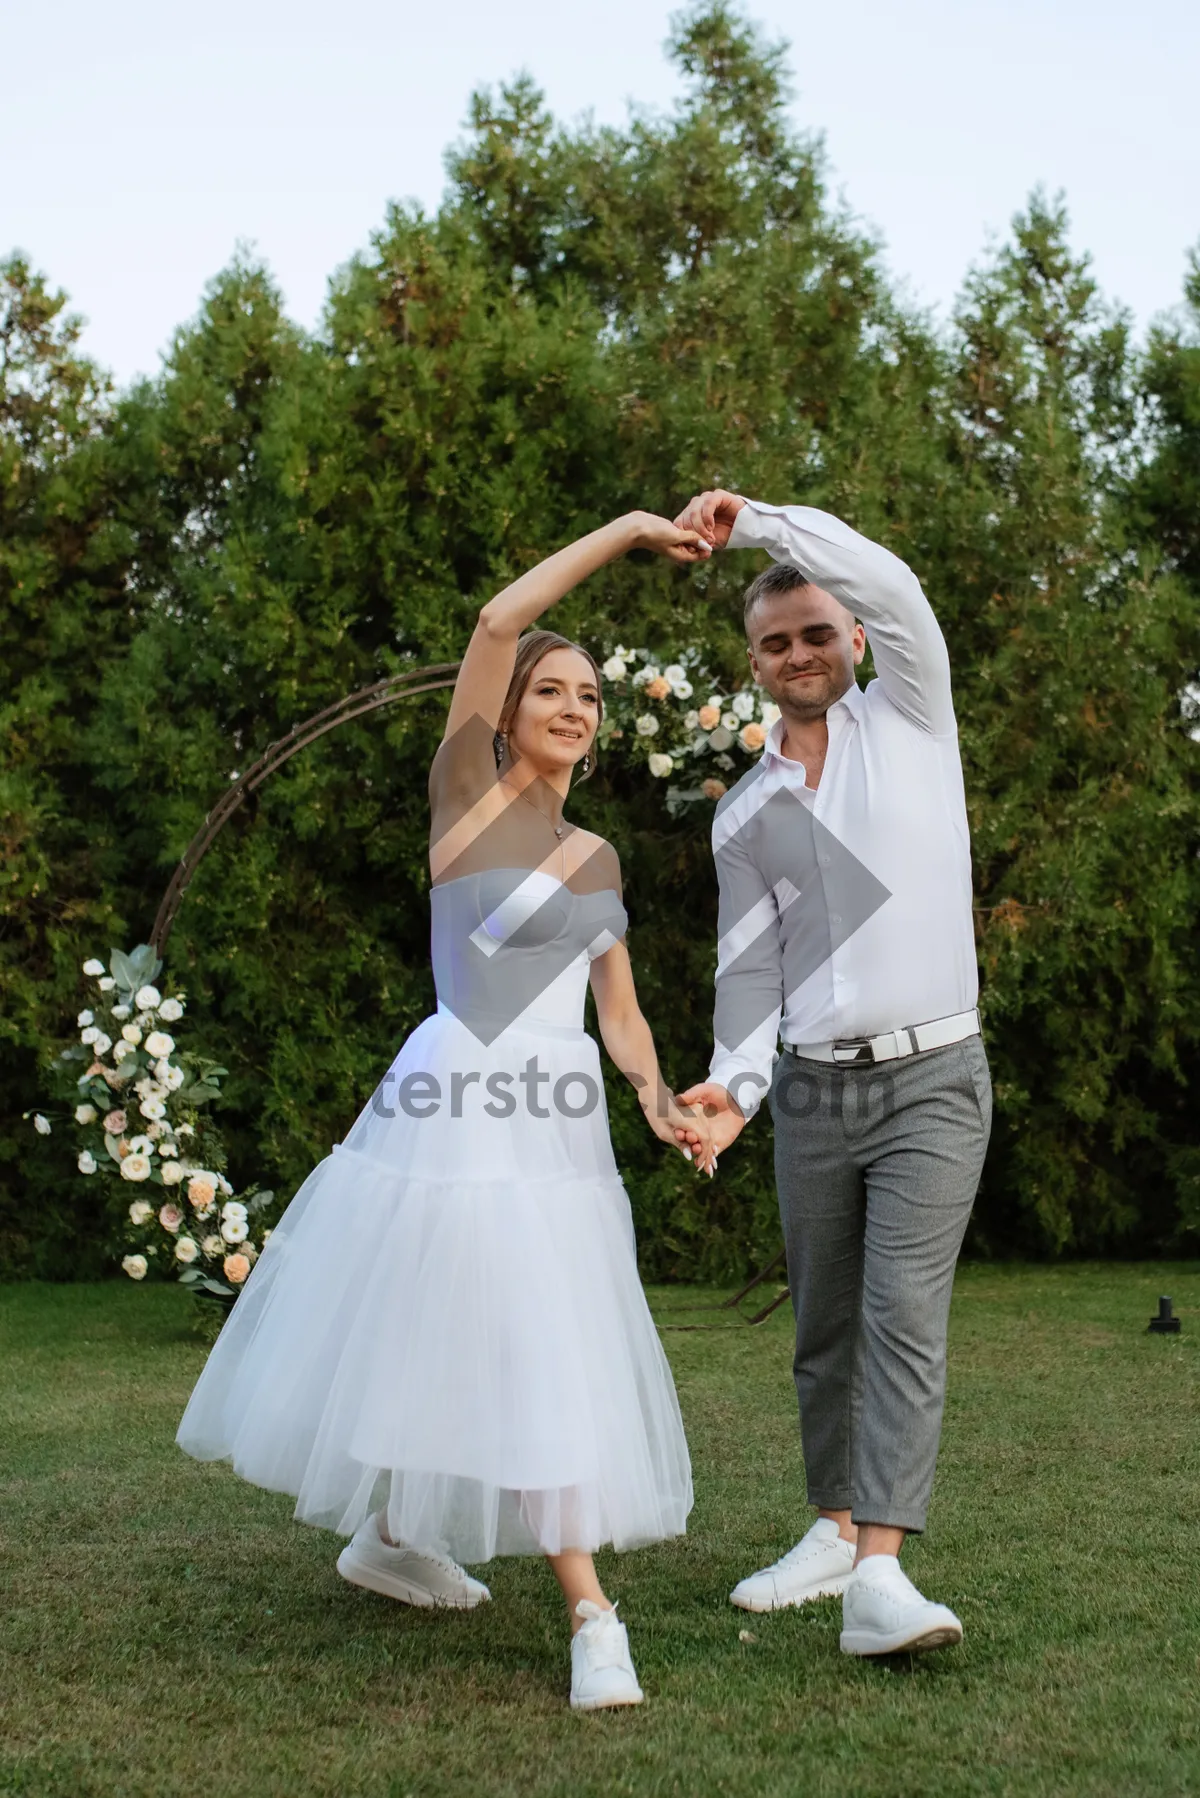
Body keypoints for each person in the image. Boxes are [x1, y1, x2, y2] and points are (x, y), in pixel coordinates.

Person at [176, 509, 719, 1711]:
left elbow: (617, 1011)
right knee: (524, 1337)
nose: (574, 709)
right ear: (509, 712)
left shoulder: (599, 858)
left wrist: (652, 1096)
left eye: (588, 695)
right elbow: (494, 620)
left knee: (464, 1329)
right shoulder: (464, 797)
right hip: (461, 1102)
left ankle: (386, 1535)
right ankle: (591, 1611)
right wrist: (632, 529)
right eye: (550, 691)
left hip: (561, 1114)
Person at [672, 488, 992, 1657]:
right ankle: (833, 1527)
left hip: (933, 1080)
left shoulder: (912, 717)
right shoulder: (746, 811)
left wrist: (754, 522)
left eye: (817, 630)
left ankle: (882, 1580)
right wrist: (728, 1093)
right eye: (776, 641)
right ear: (754, 664)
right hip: (811, 1091)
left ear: (854, 638)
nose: (800, 652)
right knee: (824, 1327)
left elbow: (893, 581)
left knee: (902, 1315)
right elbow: (752, 980)